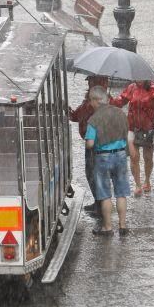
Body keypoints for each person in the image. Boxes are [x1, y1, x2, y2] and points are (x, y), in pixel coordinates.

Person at [110, 80, 154, 196]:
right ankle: (137, 185)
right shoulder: (132, 87)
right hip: (132, 127)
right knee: (134, 157)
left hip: (148, 129)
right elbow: (121, 101)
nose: (138, 79)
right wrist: (110, 100)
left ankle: (147, 180)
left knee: (148, 158)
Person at [85, 86, 130, 236]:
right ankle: (123, 226)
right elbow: (127, 135)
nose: (90, 103)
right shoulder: (120, 113)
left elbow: (90, 143)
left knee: (104, 194)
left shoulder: (94, 119)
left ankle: (108, 228)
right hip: (121, 155)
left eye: (91, 100)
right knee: (121, 193)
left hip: (103, 157)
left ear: (97, 101)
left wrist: (91, 141)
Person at [69, 75, 108, 214]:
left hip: (97, 144)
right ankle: (98, 203)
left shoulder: (98, 102)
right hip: (91, 143)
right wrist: (69, 111)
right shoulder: (89, 101)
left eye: (91, 82)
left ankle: (101, 206)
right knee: (91, 173)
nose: (88, 84)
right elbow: (76, 116)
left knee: (95, 174)